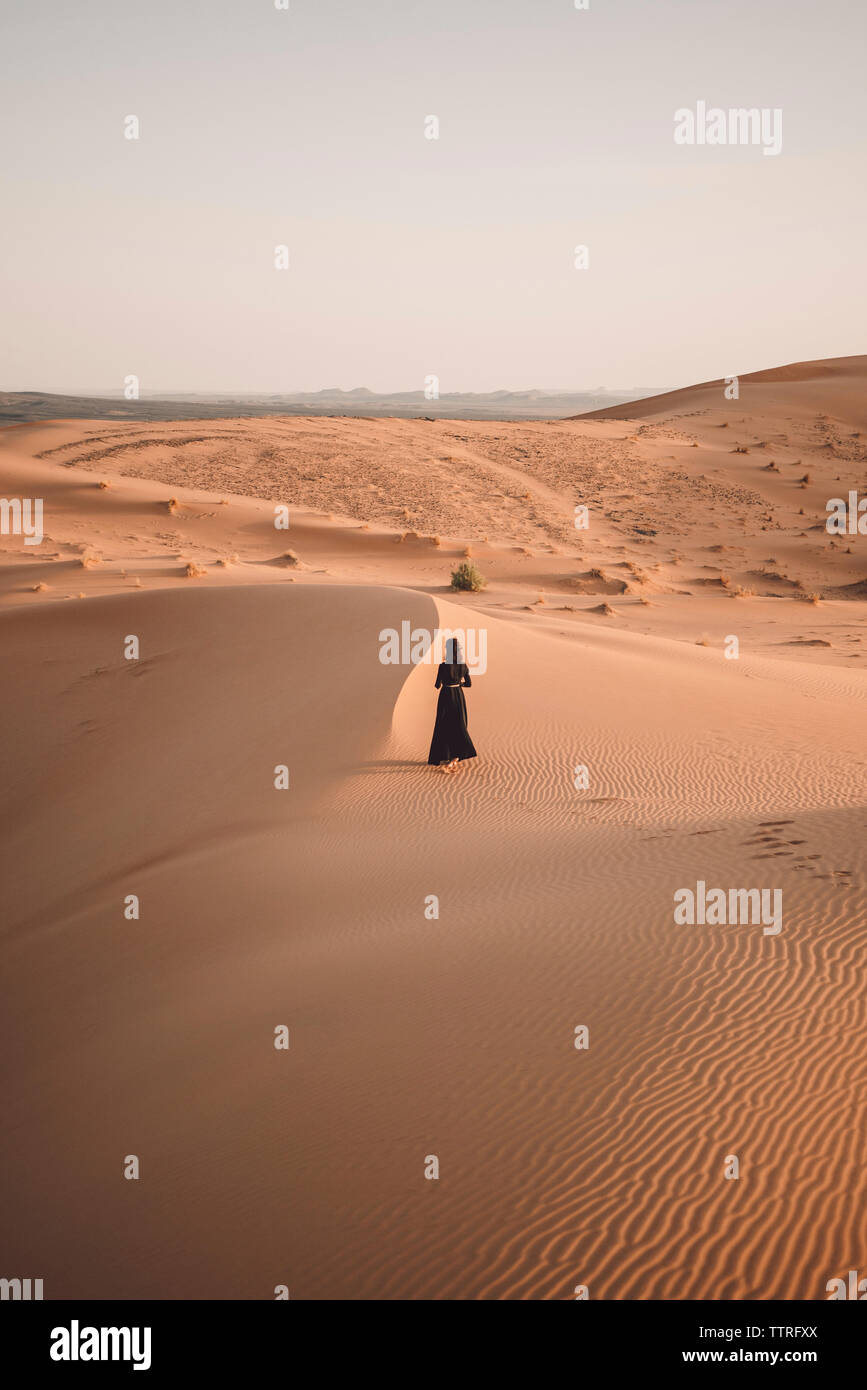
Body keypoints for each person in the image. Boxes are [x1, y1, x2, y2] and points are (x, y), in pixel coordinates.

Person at [427, 638, 477, 771]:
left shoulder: (443, 665)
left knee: (443, 725)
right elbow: (469, 684)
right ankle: (456, 756)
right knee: (459, 724)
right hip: (458, 696)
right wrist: (459, 684)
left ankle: (446, 755)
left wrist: (443, 681)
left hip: (445, 696)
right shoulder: (463, 665)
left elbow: (437, 685)